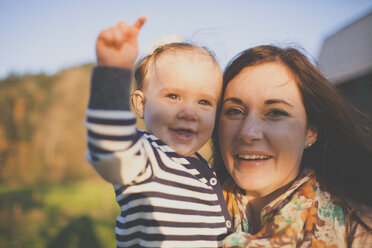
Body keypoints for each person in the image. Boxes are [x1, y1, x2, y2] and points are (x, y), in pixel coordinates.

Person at [85, 17, 233, 247]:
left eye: (204, 102)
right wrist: (112, 72)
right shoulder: (146, 157)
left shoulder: (203, 168)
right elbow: (110, 147)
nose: (189, 112)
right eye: (173, 96)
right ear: (141, 104)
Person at [211, 45, 372, 247]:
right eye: (234, 111)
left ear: (311, 131)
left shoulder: (360, 232)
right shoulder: (183, 210)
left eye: (275, 112)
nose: (248, 132)